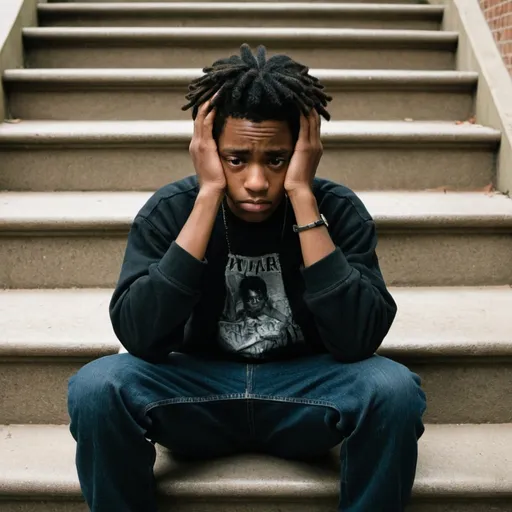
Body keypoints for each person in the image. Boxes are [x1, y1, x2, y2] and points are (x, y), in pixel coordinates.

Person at [68, 43, 427, 512]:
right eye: (236, 159)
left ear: (303, 151)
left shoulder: (335, 210)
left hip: (306, 396)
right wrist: (208, 194)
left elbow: (358, 340)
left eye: (276, 160)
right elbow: (140, 337)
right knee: (97, 387)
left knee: (395, 390)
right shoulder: (172, 210)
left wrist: (302, 195)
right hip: (197, 397)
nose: (257, 180)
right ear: (208, 151)